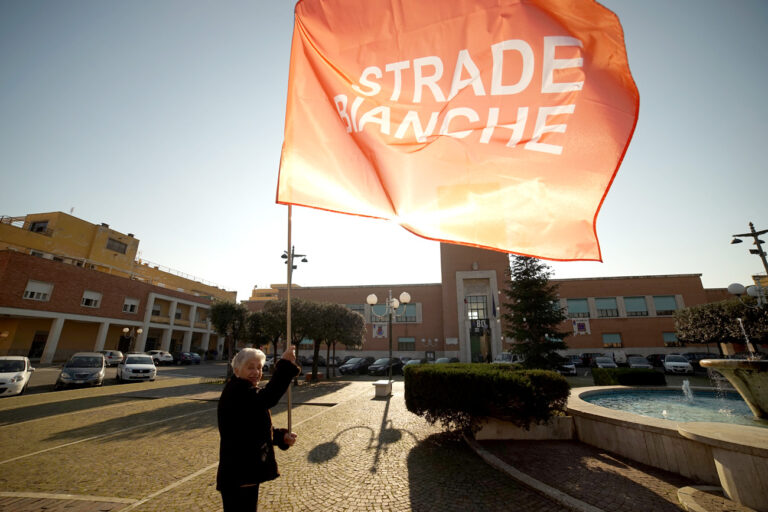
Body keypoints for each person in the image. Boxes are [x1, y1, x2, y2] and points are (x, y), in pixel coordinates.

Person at [216, 345, 301, 511]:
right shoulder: (237, 390)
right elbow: (267, 398)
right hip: (239, 473)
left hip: (245, 473)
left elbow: (255, 429)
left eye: (259, 368)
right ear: (236, 370)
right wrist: (284, 365)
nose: (256, 372)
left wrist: (281, 437)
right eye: (250, 367)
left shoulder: (246, 390)